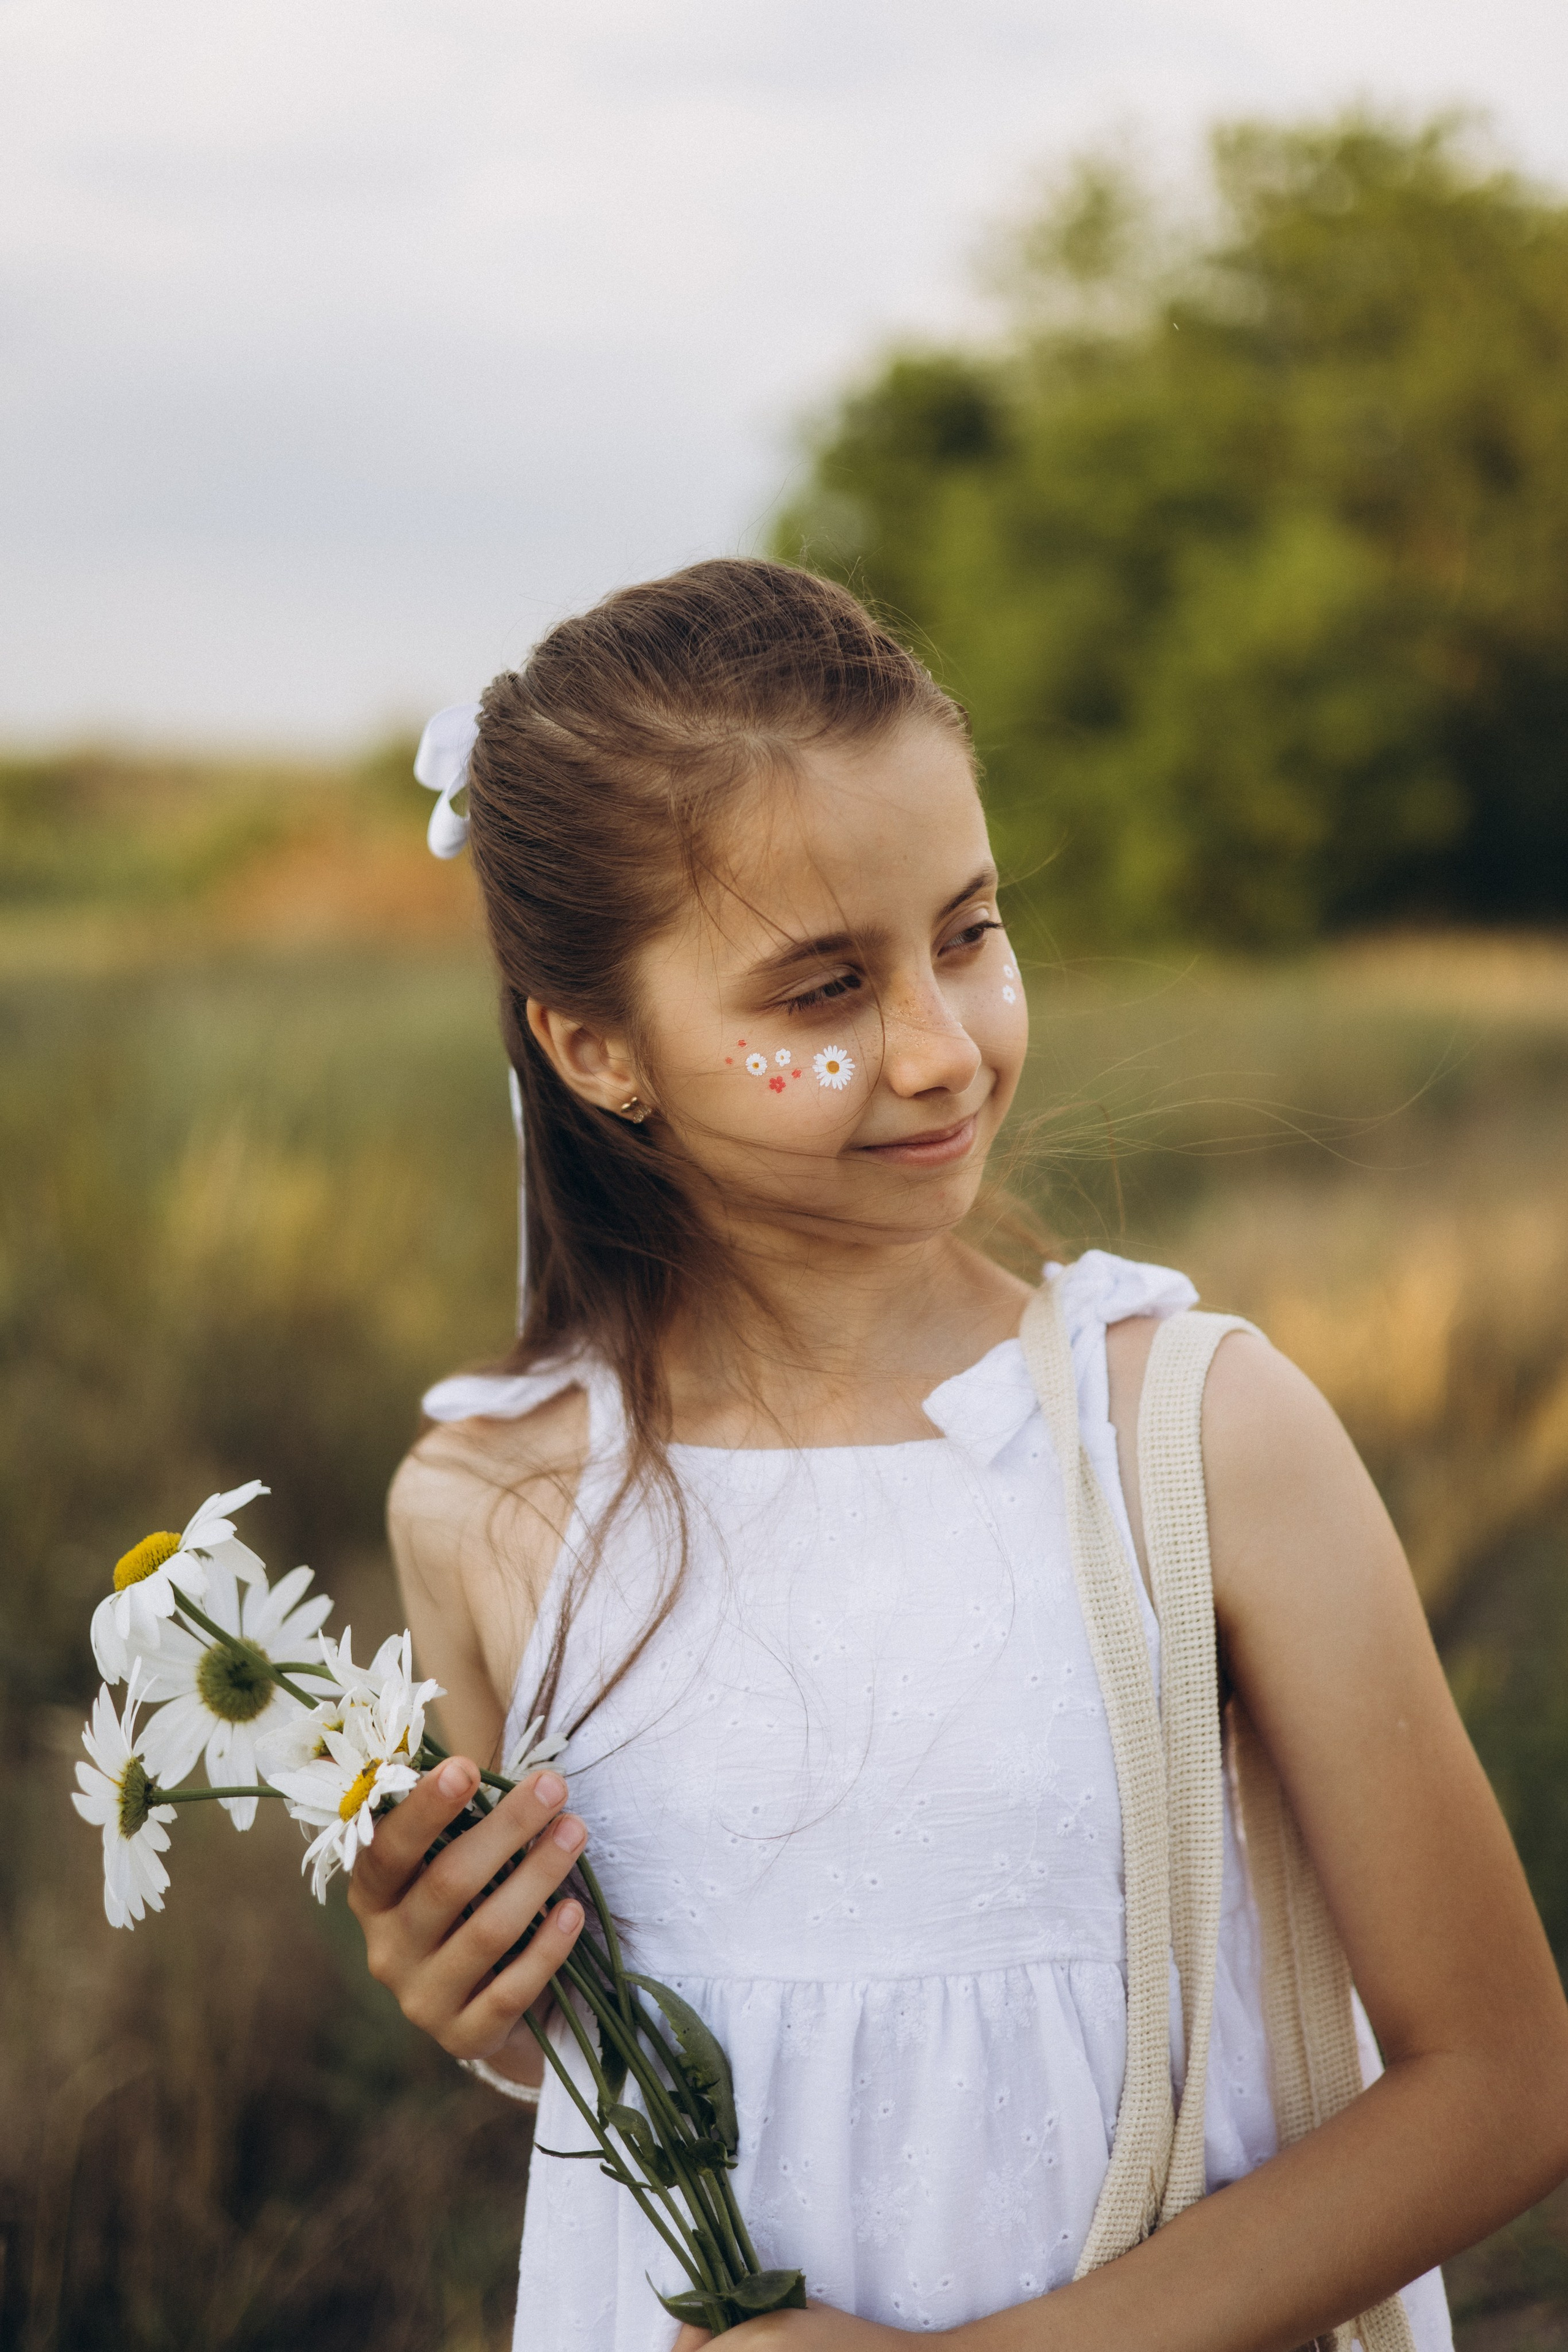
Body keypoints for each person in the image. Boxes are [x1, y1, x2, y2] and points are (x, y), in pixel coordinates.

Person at [352, 559, 1568, 2350]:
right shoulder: (496, 1504)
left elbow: (1504, 2081)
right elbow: (641, 2046)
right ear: (596, 1045)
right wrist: (475, 1998)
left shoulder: (1195, 1433)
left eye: (971, 932)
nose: (939, 1047)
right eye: (822, 991)